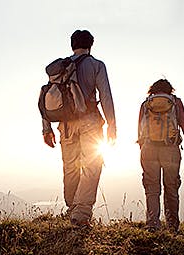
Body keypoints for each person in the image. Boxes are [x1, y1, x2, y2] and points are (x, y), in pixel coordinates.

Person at [42, 30, 117, 228]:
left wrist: (46, 129)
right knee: (92, 166)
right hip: (89, 121)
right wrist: (112, 125)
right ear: (91, 45)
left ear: (72, 45)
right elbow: (106, 96)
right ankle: (81, 214)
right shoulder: (96, 65)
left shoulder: (61, 67)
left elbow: (48, 97)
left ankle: (71, 208)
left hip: (65, 125)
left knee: (70, 167)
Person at [137, 79, 184, 233]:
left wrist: (143, 147)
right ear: (170, 90)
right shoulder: (175, 103)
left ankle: (152, 224)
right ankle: (172, 226)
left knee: (151, 188)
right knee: (171, 187)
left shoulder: (146, 104)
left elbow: (139, 128)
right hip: (170, 149)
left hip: (148, 149)